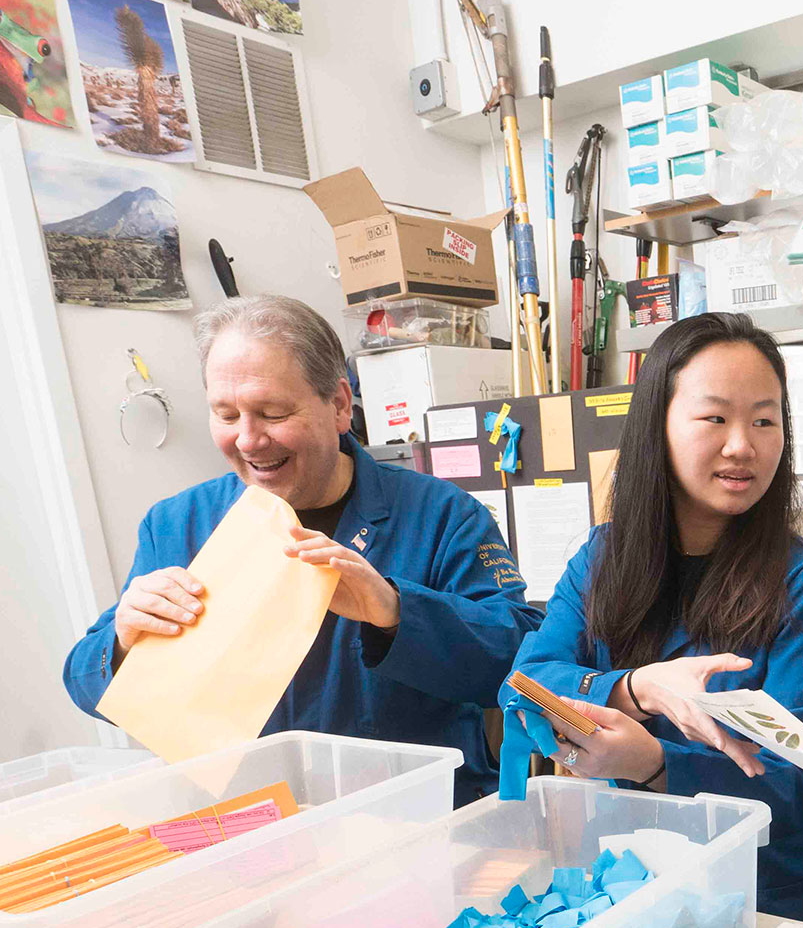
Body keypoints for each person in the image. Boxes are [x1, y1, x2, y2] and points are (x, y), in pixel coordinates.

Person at [65, 295, 539, 804]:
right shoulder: (177, 525)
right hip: (249, 827)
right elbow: (85, 680)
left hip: (412, 817)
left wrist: (396, 613)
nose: (247, 440)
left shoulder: (444, 515)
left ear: (338, 405)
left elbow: (524, 665)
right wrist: (121, 642)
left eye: (272, 413)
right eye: (226, 415)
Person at [503, 312, 803, 924]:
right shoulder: (603, 558)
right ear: (656, 427)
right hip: (628, 878)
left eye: (765, 421)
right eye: (715, 417)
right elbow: (525, 682)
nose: (743, 444)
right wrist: (635, 688)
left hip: (763, 892)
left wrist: (658, 765)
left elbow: (800, 785)